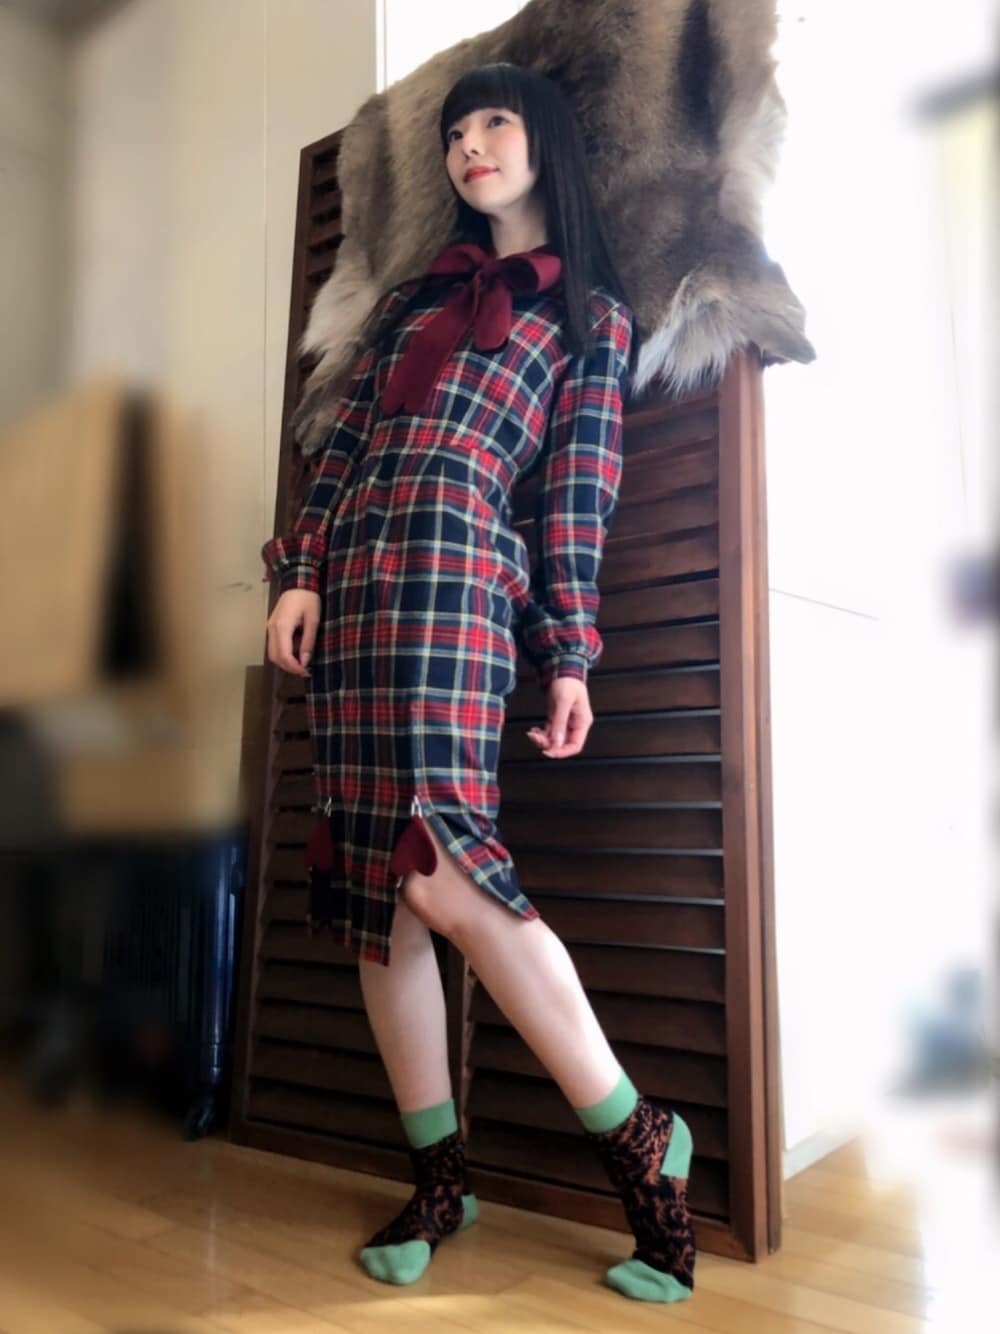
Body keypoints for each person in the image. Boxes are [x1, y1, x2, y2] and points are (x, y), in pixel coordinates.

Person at [261, 62, 696, 1304]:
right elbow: (342, 448)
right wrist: (299, 572)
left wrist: (571, 653)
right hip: (353, 596)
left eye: (495, 121)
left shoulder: (589, 316)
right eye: (456, 131)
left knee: (444, 868)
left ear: (543, 138)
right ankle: (439, 1177)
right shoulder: (412, 302)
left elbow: (576, 502)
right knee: (373, 892)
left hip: (458, 586)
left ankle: (640, 1138)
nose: (471, 145)